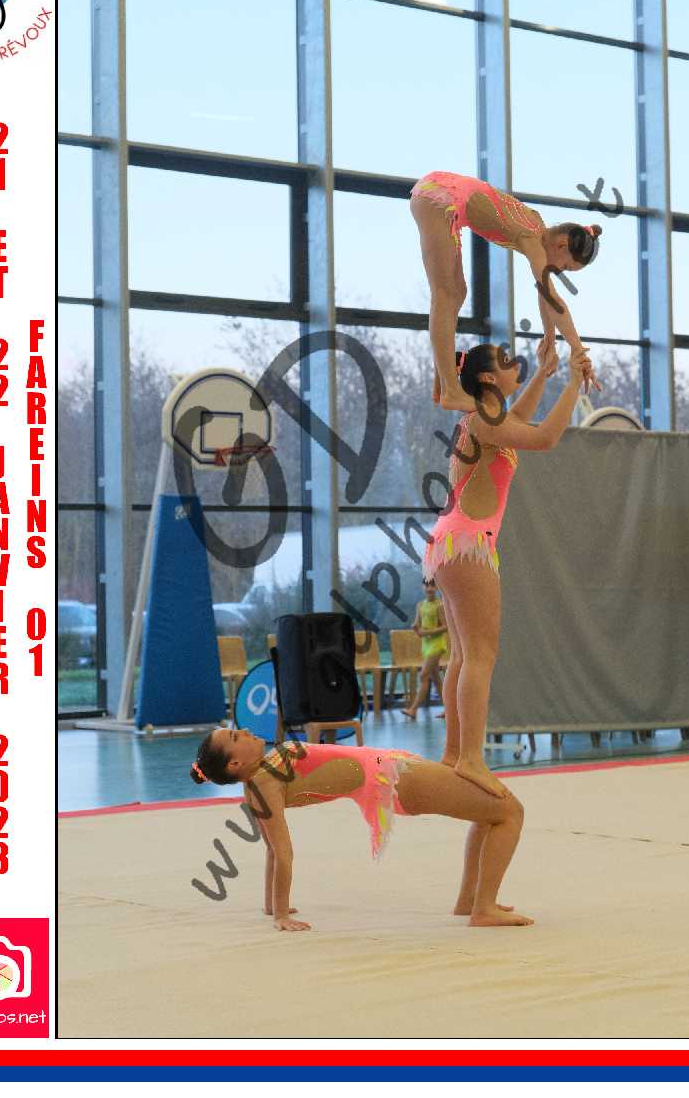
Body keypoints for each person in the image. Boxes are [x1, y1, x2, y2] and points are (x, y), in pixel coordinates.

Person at [423, 330, 590, 798]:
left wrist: (545, 374)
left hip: (453, 541)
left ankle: (454, 754)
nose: (515, 363)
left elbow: (518, 419)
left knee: (464, 655)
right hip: (468, 544)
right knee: (481, 655)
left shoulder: (487, 420)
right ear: (487, 379)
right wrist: (572, 383)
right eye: (505, 360)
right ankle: (471, 759)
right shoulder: (482, 421)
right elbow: (546, 437)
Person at [190, 728, 532, 932]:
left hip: (390, 768)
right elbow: (281, 852)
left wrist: (271, 906)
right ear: (236, 763)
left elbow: (270, 850)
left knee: (489, 813)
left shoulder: (262, 775)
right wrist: (280, 914)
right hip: (396, 778)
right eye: (236, 736)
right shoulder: (263, 784)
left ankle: (471, 901)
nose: (245, 730)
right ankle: (483, 909)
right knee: (509, 812)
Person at [410, 169, 603, 411]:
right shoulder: (532, 239)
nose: (559, 271)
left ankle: (443, 377)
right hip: (438, 196)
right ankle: (451, 390)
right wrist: (577, 348)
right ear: (562, 244)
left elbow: (544, 294)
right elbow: (552, 297)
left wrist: (550, 337)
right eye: (565, 266)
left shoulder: (538, 226)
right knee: (446, 293)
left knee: (457, 292)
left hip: (443, 194)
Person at [403, 581, 449, 719]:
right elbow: (417, 624)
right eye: (427, 585)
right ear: (423, 587)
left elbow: (446, 626)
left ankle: (413, 709)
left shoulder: (440, 605)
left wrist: (428, 632)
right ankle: (449, 709)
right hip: (426, 645)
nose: (429, 588)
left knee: (423, 675)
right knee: (436, 679)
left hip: (437, 645)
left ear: (437, 587)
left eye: (432, 586)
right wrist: (416, 628)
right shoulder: (420, 605)